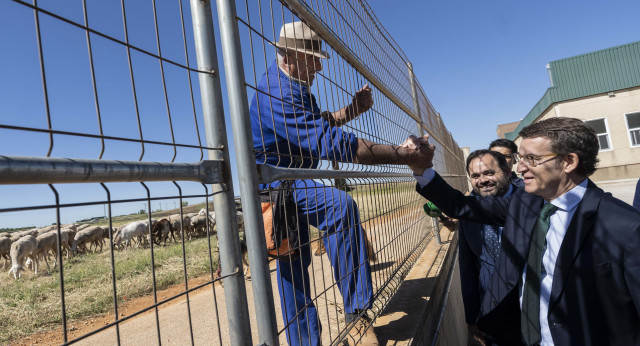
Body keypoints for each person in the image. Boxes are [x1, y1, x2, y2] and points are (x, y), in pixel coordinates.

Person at [249, 21, 430, 346]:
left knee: (298, 262)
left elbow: (319, 123)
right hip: (276, 185)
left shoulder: (295, 86)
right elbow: (333, 143)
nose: (319, 64)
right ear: (289, 55)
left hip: (292, 179)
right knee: (336, 212)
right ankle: (349, 321)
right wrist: (404, 154)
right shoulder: (277, 92)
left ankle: (351, 321)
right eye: (312, 57)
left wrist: (351, 110)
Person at [408, 117, 640, 345]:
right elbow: (461, 206)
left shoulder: (624, 226)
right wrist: (422, 169)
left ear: (569, 161)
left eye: (532, 158)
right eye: (520, 158)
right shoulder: (525, 203)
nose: (519, 167)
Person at [457, 150, 521, 345]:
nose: (482, 180)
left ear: (508, 172)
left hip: (530, 309)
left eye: (489, 173)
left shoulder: (531, 202)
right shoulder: (467, 211)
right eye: (475, 176)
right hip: (492, 312)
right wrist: (472, 317)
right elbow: (467, 266)